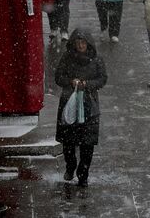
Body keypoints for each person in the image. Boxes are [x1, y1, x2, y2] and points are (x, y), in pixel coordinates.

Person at [52, 29, 106, 188]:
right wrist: (71, 82)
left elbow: (102, 79)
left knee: (87, 143)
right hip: (69, 103)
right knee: (68, 142)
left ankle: (83, 174)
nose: (81, 45)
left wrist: (87, 85)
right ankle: (70, 166)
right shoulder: (67, 58)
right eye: (78, 43)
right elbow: (58, 77)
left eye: (83, 43)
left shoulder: (96, 59)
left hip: (89, 106)